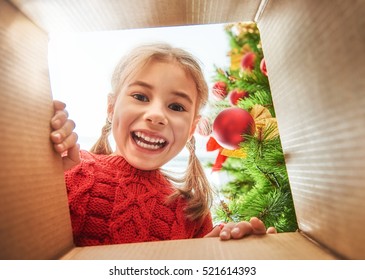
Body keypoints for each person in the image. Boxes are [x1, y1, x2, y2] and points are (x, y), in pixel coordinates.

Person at [50, 43, 276, 247]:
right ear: (111, 107)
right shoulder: (68, 169)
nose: (156, 115)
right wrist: (49, 179)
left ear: (191, 130)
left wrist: (219, 254)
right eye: (140, 96)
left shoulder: (193, 215)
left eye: (176, 107)